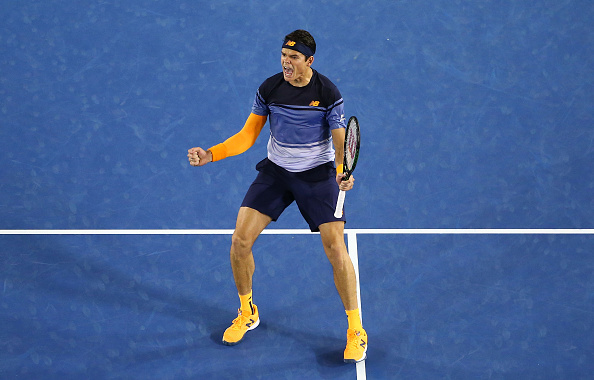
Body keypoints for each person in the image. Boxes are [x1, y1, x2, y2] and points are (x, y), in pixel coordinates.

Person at [187, 29, 367, 363]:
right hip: (277, 172)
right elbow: (247, 135)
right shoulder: (269, 88)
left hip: (317, 176)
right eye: (284, 56)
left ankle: (356, 329)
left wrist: (343, 170)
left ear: (309, 61)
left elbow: (340, 139)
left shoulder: (328, 93)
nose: (286, 63)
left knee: (335, 248)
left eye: (294, 58)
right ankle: (247, 311)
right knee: (240, 241)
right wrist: (211, 154)